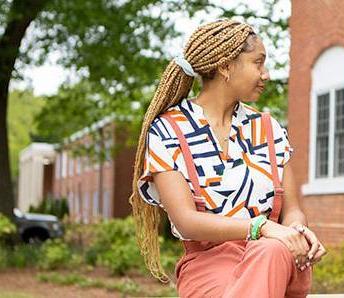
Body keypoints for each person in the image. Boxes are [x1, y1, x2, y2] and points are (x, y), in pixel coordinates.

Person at [129, 19, 325, 298]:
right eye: (258, 63)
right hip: (208, 267)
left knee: (270, 250)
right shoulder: (168, 131)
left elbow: (292, 209)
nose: (266, 74)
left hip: (277, 261)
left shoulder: (268, 129)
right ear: (225, 66)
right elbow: (186, 221)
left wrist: (297, 231)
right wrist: (262, 227)